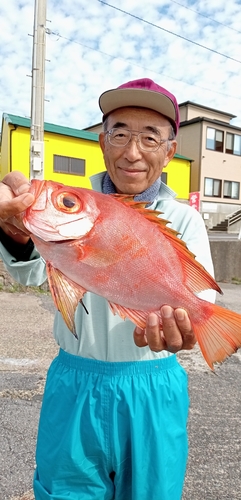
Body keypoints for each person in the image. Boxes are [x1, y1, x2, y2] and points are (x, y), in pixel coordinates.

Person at [0, 78, 215, 500]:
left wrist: (188, 330)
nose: (132, 152)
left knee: (153, 492)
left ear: (169, 151)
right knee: (64, 491)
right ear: (102, 142)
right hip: (74, 382)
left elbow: (196, 308)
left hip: (154, 386)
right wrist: (16, 233)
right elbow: (31, 276)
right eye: (120, 134)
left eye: (150, 137)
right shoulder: (72, 203)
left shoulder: (184, 220)